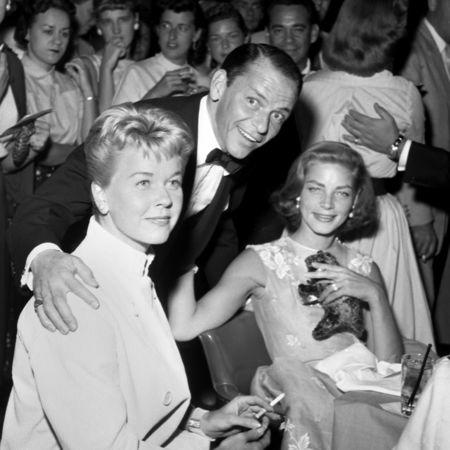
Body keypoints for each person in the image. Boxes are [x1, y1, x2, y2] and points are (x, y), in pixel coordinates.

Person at [1, 103, 273, 449]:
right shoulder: (76, 298)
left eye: (173, 181)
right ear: (100, 194)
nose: (164, 198)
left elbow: (131, 405)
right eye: (143, 182)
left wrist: (204, 423)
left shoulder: (135, 272)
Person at [8, 43, 302, 338]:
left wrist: (236, 293)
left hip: (157, 296)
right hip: (84, 292)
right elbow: (45, 206)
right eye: (253, 101)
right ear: (219, 85)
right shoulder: (140, 130)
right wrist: (45, 258)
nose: (262, 126)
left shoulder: (240, 142)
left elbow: (219, 226)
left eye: (278, 115)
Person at [168, 142, 404, 450]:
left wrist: (375, 295)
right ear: (297, 193)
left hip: (364, 393)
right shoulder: (260, 262)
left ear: (355, 201)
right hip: (307, 398)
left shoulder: (364, 268)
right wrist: (186, 248)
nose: (328, 203)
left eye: (342, 193)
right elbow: (184, 327)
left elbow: (392, 367)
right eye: (316, 189)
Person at [296, 0, 434, 344]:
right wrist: (421, 220)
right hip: (380, 220)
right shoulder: (404, 92)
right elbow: (413, 169)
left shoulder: (309, 87)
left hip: (320, 214)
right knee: (391, 327)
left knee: (327, 329)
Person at [15, 0, 96, 186]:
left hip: (72, 182)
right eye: (48, 31)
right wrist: (79, 152)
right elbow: (36, 151)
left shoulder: (69, 82)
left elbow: (91, 143)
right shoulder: (14, 79)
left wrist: (88, 92)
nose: (57, 41)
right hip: (28, 186)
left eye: (64, 33)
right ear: (27, 31)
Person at [113, 0, 208, 104]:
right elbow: (116, 119)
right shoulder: (137, 73)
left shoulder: (204, 82)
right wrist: (155, 94)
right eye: (166, 26)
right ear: (158, 30)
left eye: (182, 28)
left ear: (196, 34)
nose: (172, 35)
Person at [68, 0, 140, 113]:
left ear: (136, 20)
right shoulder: (85, 67)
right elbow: (106, 119)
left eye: (123, 20)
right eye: (107, 22)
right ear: (99, 26)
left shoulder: (142, 68)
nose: (116, 30)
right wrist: (105, 67)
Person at [267, 0, 320, 75]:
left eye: (298, 30)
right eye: (279, 31)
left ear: (313, 33)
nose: (288, 40)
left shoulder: (332, 83)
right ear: (268, 34)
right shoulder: (252, 82)